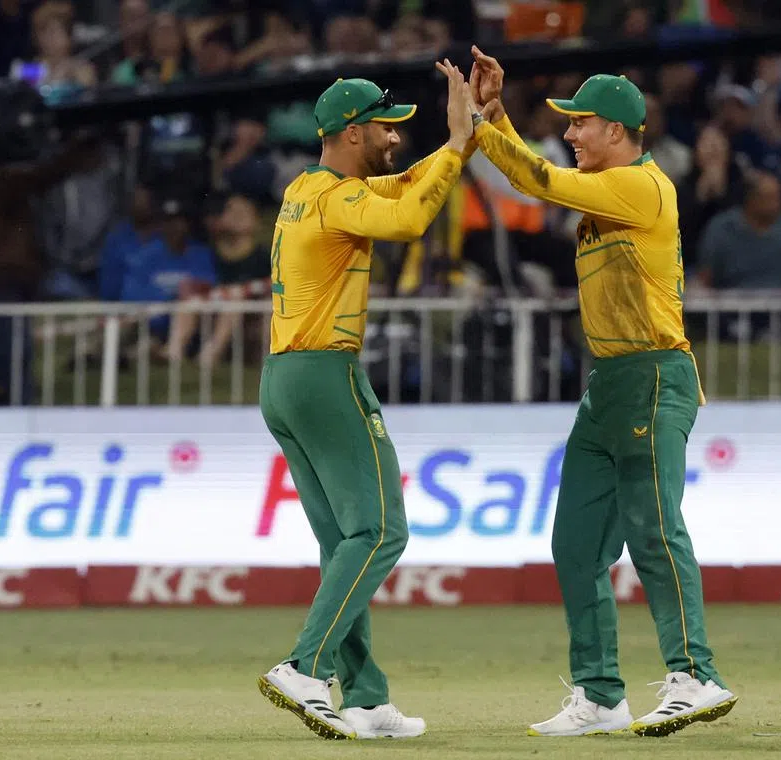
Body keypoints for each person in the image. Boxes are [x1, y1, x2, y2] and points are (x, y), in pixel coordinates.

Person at [449, 49, 738, 738]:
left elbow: (541, 182)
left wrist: (481, 129)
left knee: (653, 527)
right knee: (576, 547)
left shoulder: (641, 186)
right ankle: (601, 695)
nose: (572, 134)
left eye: (581, 123)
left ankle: (695, 675)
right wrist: (491, 113)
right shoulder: (603, 185)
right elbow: (539, 182)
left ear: (618, 129)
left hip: (653, 374)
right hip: (609, 382)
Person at [256, 66, 475, 740]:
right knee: (382, 531)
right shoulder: (338, 199)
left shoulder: (307, 189)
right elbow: (409, 218)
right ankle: (304, 665)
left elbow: (403, 187)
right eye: (387, 127)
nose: (396, 138)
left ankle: (369, 698)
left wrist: (461, 139)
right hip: (326, 374)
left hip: (282, 380)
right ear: (353, 132)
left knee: (343, 543)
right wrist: (459, 144)